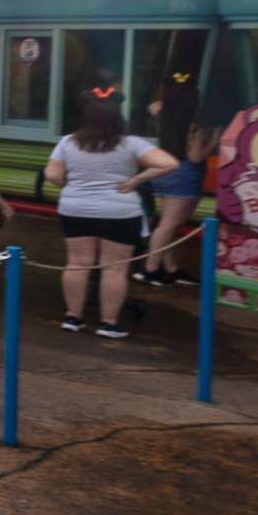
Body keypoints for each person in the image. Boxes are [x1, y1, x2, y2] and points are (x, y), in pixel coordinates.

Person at [45, 100, 178, 338]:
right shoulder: (131, 144)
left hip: (75, 208)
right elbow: (169, 163)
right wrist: (136, 180)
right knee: (115, 268)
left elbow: (52, 174)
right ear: (119, 119)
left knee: (77, 263)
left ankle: (73, 318)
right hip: (119, 211)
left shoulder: (67, 142)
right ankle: (108, 324)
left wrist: (71, 186)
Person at [135, 120, 213, 286]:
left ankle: (172, 270)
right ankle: (150, 270)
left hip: (164, 175)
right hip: (184, 178)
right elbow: (195, 156)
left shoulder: (166, 121)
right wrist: (214, 139)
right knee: (168, 227)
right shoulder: (195, 125)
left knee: (167, 226)